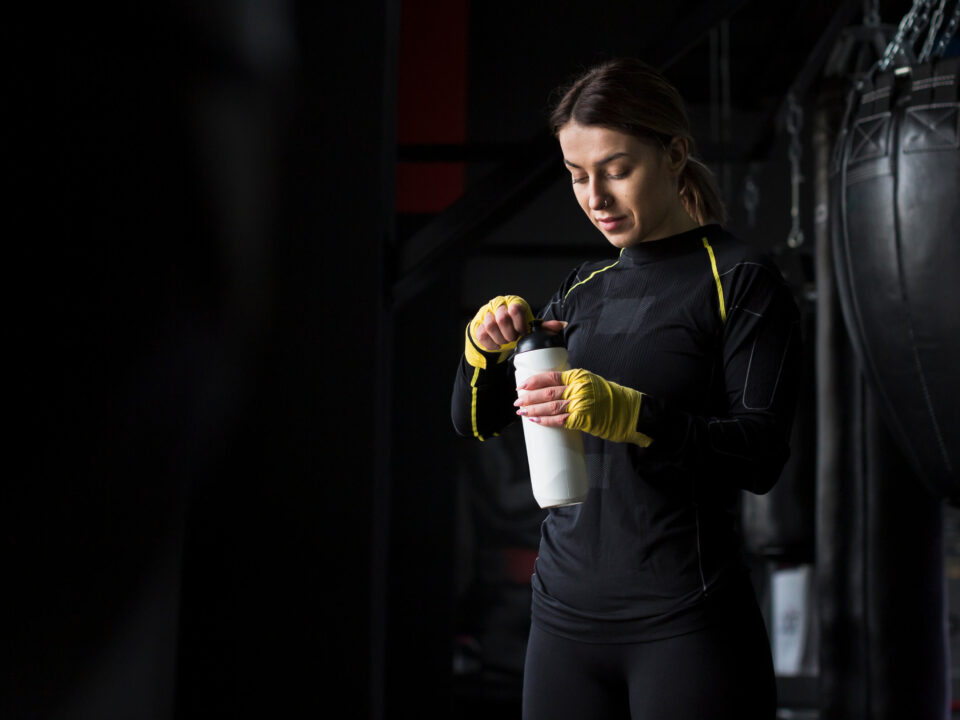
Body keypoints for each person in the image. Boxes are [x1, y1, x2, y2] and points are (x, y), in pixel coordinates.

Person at [450, 57, 801, 719]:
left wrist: (636, 414)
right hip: (562, 622)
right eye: (577, 176)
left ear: (674, 154)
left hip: (685, 621)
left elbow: (760, 456)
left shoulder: (741, 280)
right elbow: (474, 422)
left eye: (616, 169)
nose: (596, 197)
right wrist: (480, 353)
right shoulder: (581, 288)